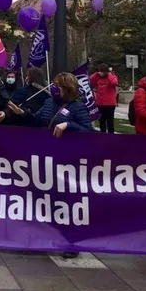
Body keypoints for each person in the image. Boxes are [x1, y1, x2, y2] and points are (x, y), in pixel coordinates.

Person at [37, 72, 94, 258]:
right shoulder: (48, 103)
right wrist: (19, 114)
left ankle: (72, 242)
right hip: (47, 157)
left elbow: (89, 132)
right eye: (53, 84)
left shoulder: (77, 107)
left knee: (67, 203)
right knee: (47, 200)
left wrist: (69, 125)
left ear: (68, 88)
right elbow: (37, 120)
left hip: (68, 161)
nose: (54, 88)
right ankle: (46, 237)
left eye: (58, 85)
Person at [90, 63, 118, 134]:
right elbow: (90, 79)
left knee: (110, 122)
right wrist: (96, 73)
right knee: (102, 121)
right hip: (100, 103)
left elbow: (114, 82)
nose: (101, 73)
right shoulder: (98, 78)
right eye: (100, 71)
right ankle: (103, 135)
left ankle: (111, 136)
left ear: (106, 71)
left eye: (103, 72)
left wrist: (109, 74)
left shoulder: (112, 77)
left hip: (110, 104)